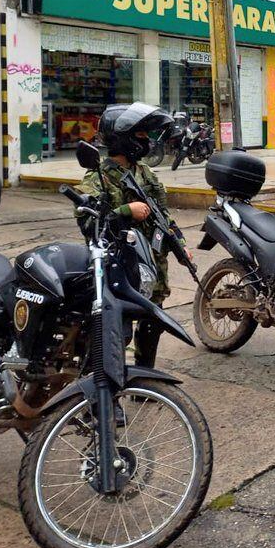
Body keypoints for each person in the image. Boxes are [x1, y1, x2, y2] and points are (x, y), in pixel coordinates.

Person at [78, 102, 189, 368]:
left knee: (153, 319)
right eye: (140, 135)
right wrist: (127, 210)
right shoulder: (99, 177)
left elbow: (162, 213)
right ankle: (103, 378)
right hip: (119, 264)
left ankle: (144, 373)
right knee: (117, 325)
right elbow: (87, 221)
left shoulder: (144, 172)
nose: (146, 141)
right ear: (122, 137)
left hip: (152, 262)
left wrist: (180, 244)